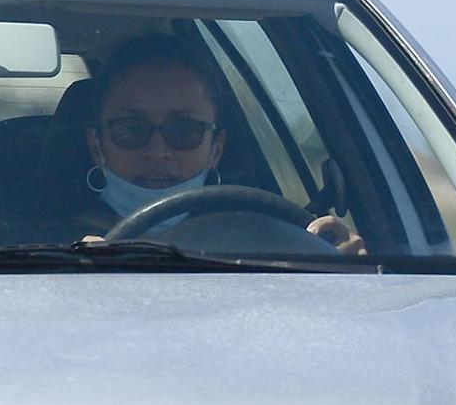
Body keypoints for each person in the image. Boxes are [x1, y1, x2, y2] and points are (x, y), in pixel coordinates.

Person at [76, 34, 366, 254]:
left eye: (184, 131)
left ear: (216, 149)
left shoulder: (270, 242)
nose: (158, 151)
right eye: (131, 130)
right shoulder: (37, 251)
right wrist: (66, 268)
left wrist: (346, 266)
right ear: (96, 145)